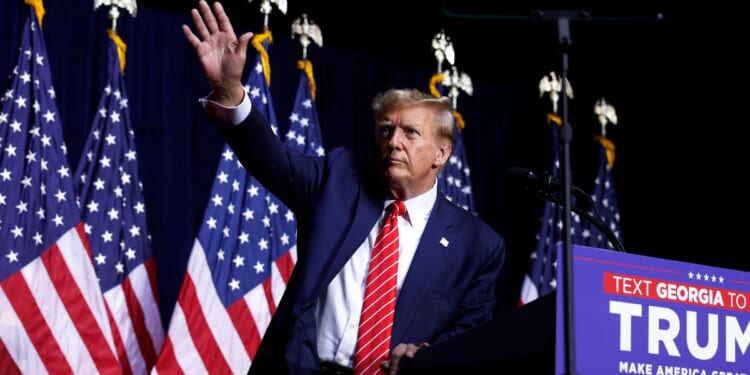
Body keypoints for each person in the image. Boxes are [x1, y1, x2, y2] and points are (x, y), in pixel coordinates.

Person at [182, 2, 506, 374]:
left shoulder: (478, 245)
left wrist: (427, 354)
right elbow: (271, 160)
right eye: (386, 130)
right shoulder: (338, 179)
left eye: (410, 133)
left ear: (441, 153)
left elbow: (471, 335)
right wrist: (229, 90)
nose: (394, 141)